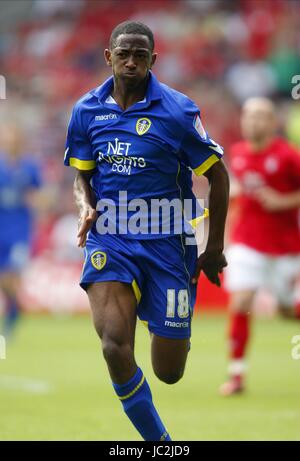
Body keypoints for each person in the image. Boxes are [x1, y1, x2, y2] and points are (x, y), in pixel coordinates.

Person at [64, 21, 229, 441]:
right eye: (124, 54)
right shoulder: (86, 110)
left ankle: (167, 317)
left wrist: (213, 249)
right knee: (113, 346)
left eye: (140, 55)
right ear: (109, 57)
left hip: (169, 242)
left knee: (168, 372)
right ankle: (161, 445)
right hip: (111, 237)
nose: (132, 62)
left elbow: (219, 176)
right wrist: (86, 207)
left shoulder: (177, 111)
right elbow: (81, 176)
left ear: (153, 59)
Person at [220, 97, 300, 396]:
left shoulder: (288, 156)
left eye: (259, 116)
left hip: (285, 248)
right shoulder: (238, 154)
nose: (252, 121)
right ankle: (236, 376)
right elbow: (239, 195)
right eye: (248, 115)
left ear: (272, 123)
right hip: (246, 243)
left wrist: (283, 201)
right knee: (240, 302)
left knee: (285, 311)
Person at [0, 124, 41, 338]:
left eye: (12, 137)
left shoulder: (29, 167)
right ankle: (14, 310)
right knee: (3, 279)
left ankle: (12, 317)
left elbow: (39, 196)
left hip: (19, 232)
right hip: (1, 229)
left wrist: (36, 205)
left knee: (10, 277)